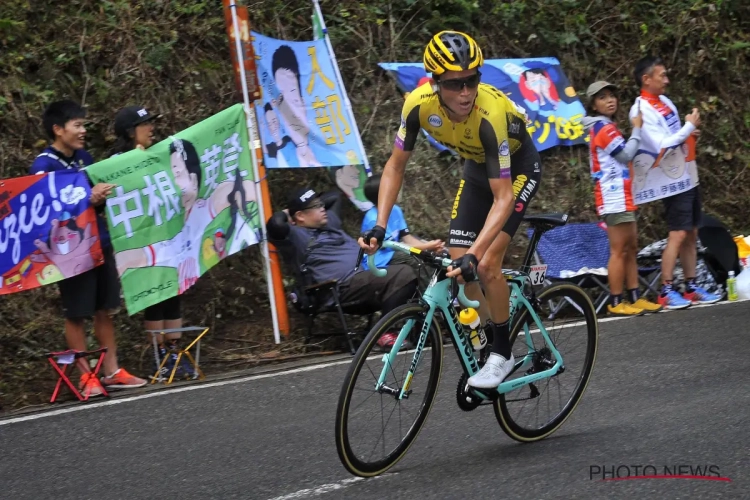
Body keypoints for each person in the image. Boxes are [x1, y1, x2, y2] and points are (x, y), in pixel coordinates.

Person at [359, 31, 542, 389]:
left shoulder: (490, 115)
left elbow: (503, 198)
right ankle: (488, 337)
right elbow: (395, 167)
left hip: (518, 169)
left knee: (485, 261)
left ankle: (502, 353)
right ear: (434, 82)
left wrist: (476, 253)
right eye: (455, 84)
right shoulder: (417, 105)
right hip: (476, 169)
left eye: (472, 80)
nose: (465, 92)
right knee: (460, 268)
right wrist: (380, 226)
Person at [29, 100, 146, 395]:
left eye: (84, 125)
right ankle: (85, 376)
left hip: (99, 241)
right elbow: (45, 210)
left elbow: (95, 197)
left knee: (105, 309)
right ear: (58, 129)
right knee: (76, 313)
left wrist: (101, 196)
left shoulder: (84, 157)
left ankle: (111, 371)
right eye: (77, 125)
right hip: (70, 251)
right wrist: (86, 199)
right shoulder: (44, 165)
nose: (83, 131)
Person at [267, 186, 418, 348]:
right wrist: (287, 212)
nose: (322, 208)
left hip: (363, 279)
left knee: (417, 264)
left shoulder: (328, 222)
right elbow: (274, 224)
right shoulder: (295, 236)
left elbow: (335, 196)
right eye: (316, 206)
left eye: (320, 204)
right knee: (403, 273)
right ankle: (385, 333)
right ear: (300, 216)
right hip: (340, 288)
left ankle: (419, 333)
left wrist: (311, 205)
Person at [630, 56, 720, 308]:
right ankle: (665, 290)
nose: (667, 80)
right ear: (646, 79)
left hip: (687, 173)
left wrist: (689, 132)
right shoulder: (640, 109)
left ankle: (691, 286)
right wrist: (688, 127)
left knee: (691, 232)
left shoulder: (664, 102)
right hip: (669, 179)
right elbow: (662, 144)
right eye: (662, 76)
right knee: (678, 233)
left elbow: (674, 135)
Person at [110, 105, 191, 378]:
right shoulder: (114, 162)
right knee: (154, 293)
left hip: (166, 234)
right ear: (130, 131)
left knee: (173, 290)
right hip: (140, 241)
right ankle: (160, 357)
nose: (151, 128)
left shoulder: (157, 155)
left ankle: (176, 351)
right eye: (145, 124)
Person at [582, 81, 663, 316]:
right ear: (594, 105)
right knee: (619, 249)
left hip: (623, 195)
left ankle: (635, 297)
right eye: (602, 97)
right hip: (613, 195)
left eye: (612, 95)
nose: (610, 100)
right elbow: (626, 154)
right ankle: (616, 301)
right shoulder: (603, 128)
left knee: (631, 247)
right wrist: (637, 128)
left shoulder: (608, 126)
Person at [361, 174, 444, 290]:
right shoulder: (372, 219)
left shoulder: (395, 210)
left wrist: (428, 246)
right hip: (379, 257)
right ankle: (431, 296)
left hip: (395, 251)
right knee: (414, 259)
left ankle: (443, 290)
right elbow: (398, 247)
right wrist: (427, 246)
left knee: (438, 254)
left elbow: (407, 237)